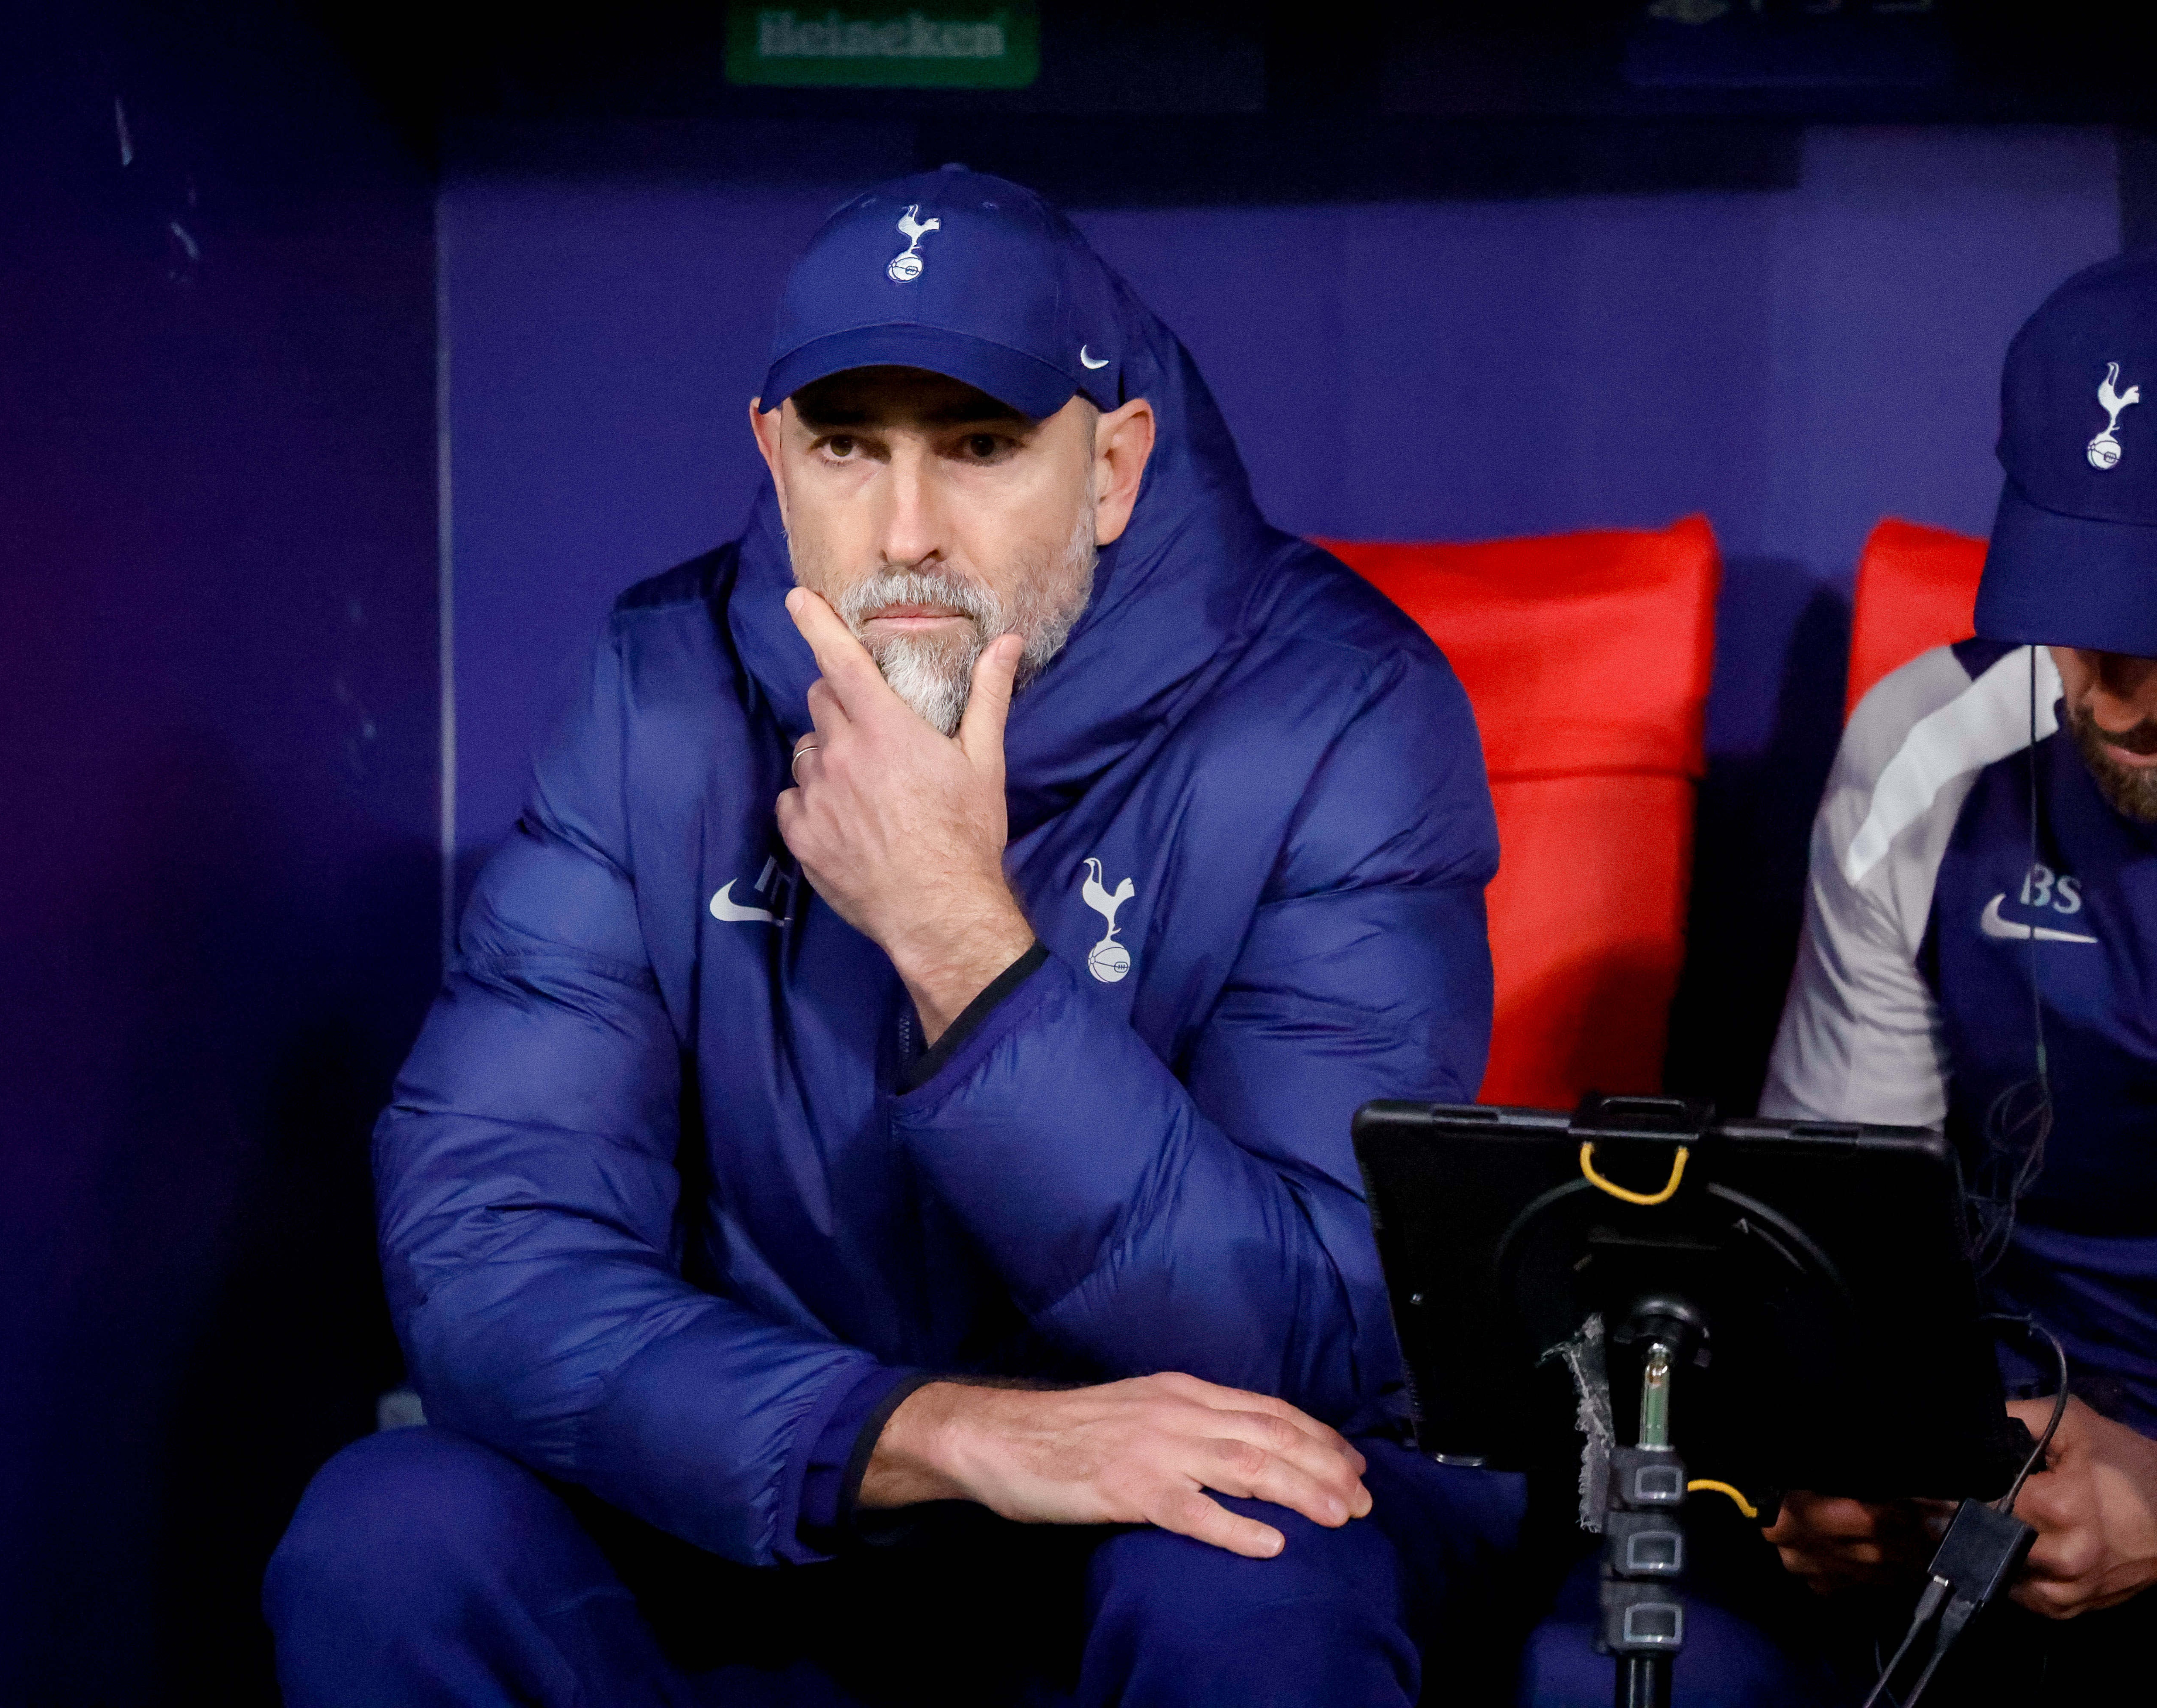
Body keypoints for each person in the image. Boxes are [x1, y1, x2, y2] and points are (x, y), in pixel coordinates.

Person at [265, 167, 1525, 1706]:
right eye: (847, 448)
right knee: (391, 1536)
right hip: (794, 1487)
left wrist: (962, 946)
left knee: (1249, 1549)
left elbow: (1316, 1332)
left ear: (1114, 465)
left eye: (981, 446)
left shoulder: (1342, 708)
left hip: (1152, 1534)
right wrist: (923, 1433)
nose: (905, 533)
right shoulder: (658, 688)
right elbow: (488, 1247)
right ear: (771, 453)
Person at [1701, 250, 2157, 1700]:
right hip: (1995, 1454)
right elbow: (1838, 1234)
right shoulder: (1930, 748)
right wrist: (1832, 1459)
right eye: (2087, 609)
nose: (2119, 696)